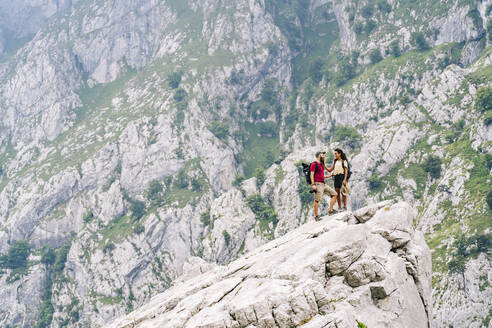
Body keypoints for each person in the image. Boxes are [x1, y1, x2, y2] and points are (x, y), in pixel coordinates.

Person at [310, 151, 337, 221]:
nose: (324, 155)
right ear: (319, 155)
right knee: (317, 200)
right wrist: (313, 185)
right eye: (322, 154)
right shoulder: (314, 164)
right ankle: (316, 216)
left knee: (334, 194)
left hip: (323, 184)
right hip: (317, 184)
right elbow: (312, 174)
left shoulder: (321, 164)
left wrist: (329, 176)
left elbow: (321, 175)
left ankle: (330, 210)